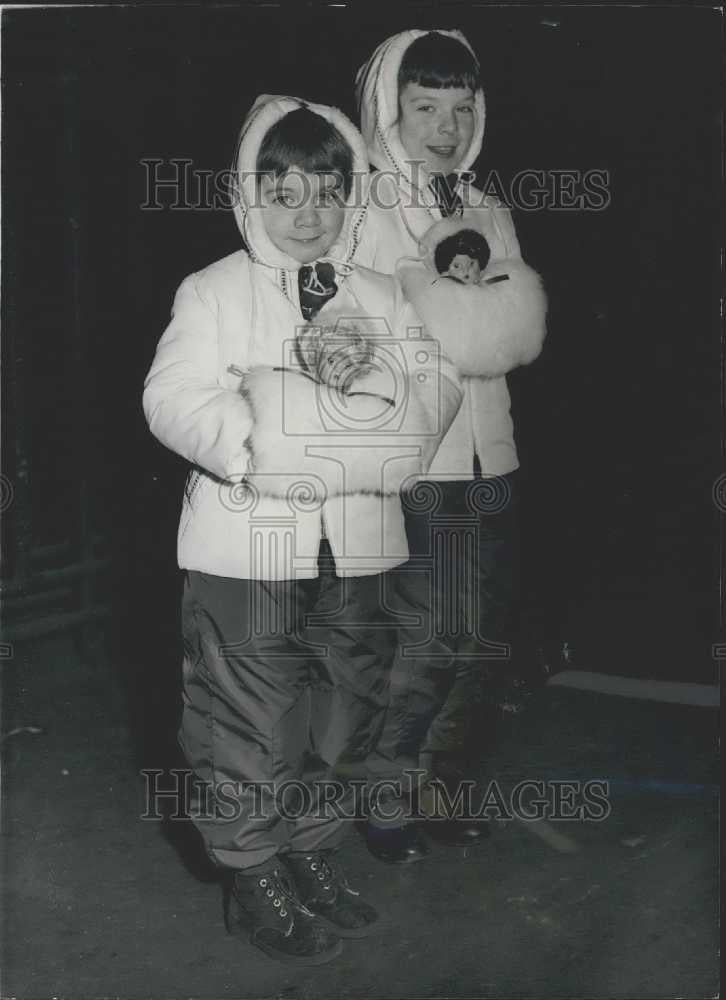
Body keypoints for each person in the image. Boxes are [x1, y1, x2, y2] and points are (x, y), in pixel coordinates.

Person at [142, 95, 462, 963]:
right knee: (249, 715)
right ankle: (254, 874)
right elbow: (170, 399)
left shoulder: (383, 293)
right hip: (247, 545)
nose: (308, 214)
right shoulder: (214, 288)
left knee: (341, 712)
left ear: (351, 196)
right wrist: (267, 446)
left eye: (326, 191)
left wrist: (379, 440)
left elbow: (435, 389)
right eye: (285, 194)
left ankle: (310, 852)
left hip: (357, 542)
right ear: (252, 196)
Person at [353, 29, 548, 862]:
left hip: (488, 451)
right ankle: (386, 794)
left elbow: (512, 332)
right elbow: (365, 334)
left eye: (461, 108)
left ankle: (443, 784)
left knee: (484, 634)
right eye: (425, 106)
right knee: (425, 633)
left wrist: (463, 315)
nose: (445, 125)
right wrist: (457, 317)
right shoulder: (362, 204)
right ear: (388, 109)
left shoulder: (485, 204)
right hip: (417, 460)